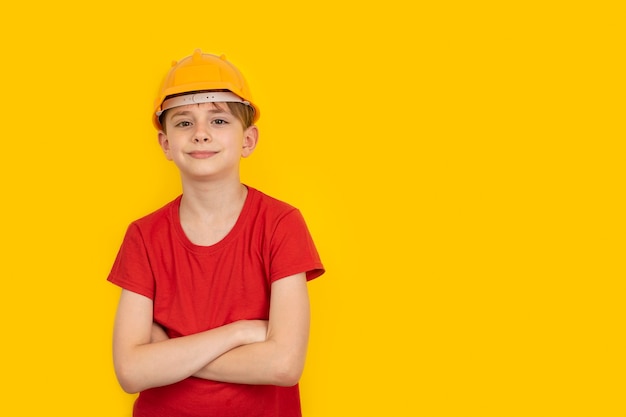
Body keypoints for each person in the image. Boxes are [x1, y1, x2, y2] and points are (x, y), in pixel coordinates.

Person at [107, 49, 325, 417]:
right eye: (183, 122)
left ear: (248, 140)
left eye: (219, 121)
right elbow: (131, 372)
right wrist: (239, 333)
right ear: (165, 144)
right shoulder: (143, 236)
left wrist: (170, 354)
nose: (201, 134)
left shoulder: (281, 224)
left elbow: (283, 365)